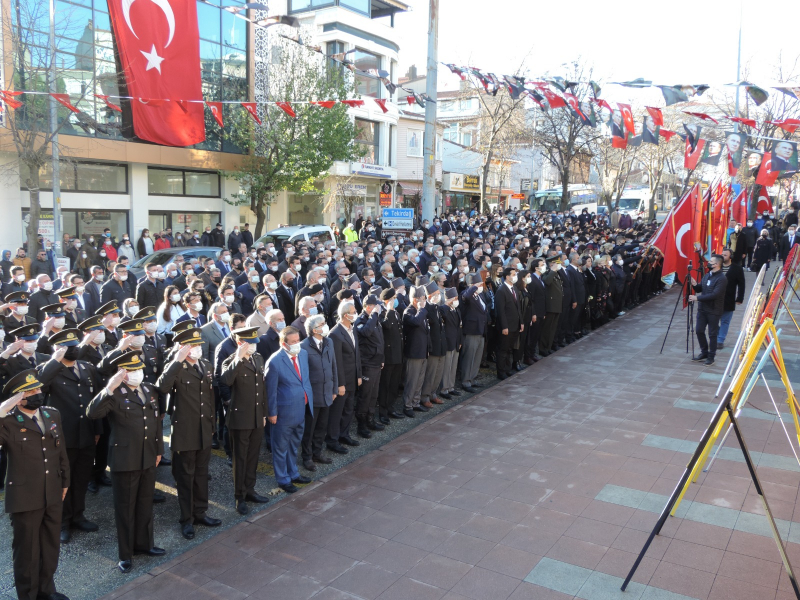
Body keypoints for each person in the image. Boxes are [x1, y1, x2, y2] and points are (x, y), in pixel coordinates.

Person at [86, 349, 164, 573]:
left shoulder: (148, 389)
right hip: (125, 459)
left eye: (138, 368)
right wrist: (109, 387)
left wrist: (158, 449)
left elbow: (155, 423)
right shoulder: (114, 394)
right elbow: (93, 413)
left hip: (148, 455)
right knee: (125, 507)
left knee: (144, 503)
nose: (137, 372)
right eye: (131, 370)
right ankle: (125, 554)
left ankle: (144, 544)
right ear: (121, 373)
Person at [0, 369, 70, 600]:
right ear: (18, 397)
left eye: (38, 388)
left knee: (50, 545)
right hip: (25, 496)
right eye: (30, 391)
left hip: (52, 490)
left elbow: (60, 452)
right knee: (27, 551)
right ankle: (28, 596)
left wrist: (65, 481)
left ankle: (46, 590)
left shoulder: (51, 414)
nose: (37, 393)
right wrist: (4, 408)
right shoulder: (8, 422)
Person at [155, 328, 221, 540]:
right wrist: (177, 360)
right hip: (184, 431)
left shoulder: (206, 365)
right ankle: (186, 519)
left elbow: (210, 398)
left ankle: (200, 512)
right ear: (182, 347)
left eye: (198, 345)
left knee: (201, 474)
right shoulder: (175, 367)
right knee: (185, 477)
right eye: (192, 346)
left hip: (204, 429)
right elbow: (161, 387)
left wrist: (212, 424)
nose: (197, 349)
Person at [37, 330, 102, 545]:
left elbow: (95, 400)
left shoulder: (86, 368)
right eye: (67, 347)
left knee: (81, 477)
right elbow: (38, 388)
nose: (73, 350)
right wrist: (54, 361)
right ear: (58, 348)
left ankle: (78, 516)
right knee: (63, 480)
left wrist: (97, 429)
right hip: (63, 436)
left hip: (86, 433)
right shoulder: (50, 371)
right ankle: (62, 522)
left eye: (75, 345)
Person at [219, 327, 270, 515]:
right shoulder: (230, 361)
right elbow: (225, 380)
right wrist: (238, 358)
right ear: (241, 343)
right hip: (240, 418)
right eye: (250, 342)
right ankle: (239, 496)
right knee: (240, 458)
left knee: (253, 456)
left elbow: (262, 389)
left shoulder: (258, 358)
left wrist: (264, 413)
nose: (254, 346)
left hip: (257, 415)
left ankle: (250, 490)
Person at [265, 326, 313, 494]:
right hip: (283, 413)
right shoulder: (274, 361)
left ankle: (293, 473)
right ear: (284, 344)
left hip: (301, 409)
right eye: (293, 342)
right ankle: (283, 479)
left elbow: (304, 380)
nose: (297, 344)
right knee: (280, 448)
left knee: (294, 445)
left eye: (298, 340)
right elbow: (270, 391)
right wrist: (272, 412)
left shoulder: (303, 354)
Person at [299, 315, 337, 471]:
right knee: (310, 428)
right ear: (314, 330)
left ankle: (317, 452)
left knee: (322, 426)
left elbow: (333, 365)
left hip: (327, 392)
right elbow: (302, 374)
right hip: (312, 395)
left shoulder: (329, 342)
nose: (325, 326)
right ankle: (307, 457)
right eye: (322, 324)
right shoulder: (303, 346)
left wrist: (334, 388)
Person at [327, 301, 362, 451]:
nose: (356, 314)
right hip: (342, 381)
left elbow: (357, 354)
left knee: (349, 408)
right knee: (337, 411)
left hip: (353, 378)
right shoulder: (335, 334)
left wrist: (359, 375)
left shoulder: (352, 329)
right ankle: (333, 440)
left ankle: (344, 434)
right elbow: (337, 362)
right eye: (353, 312)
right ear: (346, 314)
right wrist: (340, 384)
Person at [353, 295, 384, 437]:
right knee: (365, 395)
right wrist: (374, 315)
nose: (379, 308)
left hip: (376, 361)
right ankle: (362, 424)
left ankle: (370, 419)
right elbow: (365, 332)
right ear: (368, 307)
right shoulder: (361, 320)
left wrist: (382, 358)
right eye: (376, 306)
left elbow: (380, 340)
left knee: (374, 394)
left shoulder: (374, 319)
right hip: (367, 363)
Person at [689, 254, 727, 366]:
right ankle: (704, 352)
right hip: (702, 309)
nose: (708, 263)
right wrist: (695, 284)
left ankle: (711, 356)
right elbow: (701, 288)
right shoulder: (707, 275)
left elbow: (715, 294)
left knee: (712, 334)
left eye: (711, 261)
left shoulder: (722, 278)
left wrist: (697, 298)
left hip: (714, 310)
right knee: (699, 330)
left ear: (716, 264)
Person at [459, 274, 488, 392]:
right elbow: (466, 296)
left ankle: (472, 378)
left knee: (477, 356)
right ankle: (466, 381)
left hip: (481, 329)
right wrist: (473, 287)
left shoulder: (480, 295)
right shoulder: (466, 294)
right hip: (471, 330)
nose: (481, 286)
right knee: (469, 357)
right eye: (478, 284)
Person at [494, 266, 522, 379]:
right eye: (513, 275)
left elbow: (518, 307)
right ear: (507, 276)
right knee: (503, 349)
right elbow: (500, 311)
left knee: (510, 348)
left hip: (515, 324)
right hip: (506, 326)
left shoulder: (514, 288)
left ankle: (507, 368)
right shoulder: (501, 290)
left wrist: (521, 322)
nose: (515, 277)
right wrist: (504, 326)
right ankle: (501, 372)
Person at [717, 249, 746, 350]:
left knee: (725, 321)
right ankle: (716, 337)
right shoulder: (716, 267)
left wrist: (740, 298)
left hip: (728, 299)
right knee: (714, 320)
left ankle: (720, 340)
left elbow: (741, 284)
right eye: (722, 255)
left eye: (725, 255)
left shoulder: (737, 269)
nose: (723, 256)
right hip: (715, 299)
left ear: (730, 257)